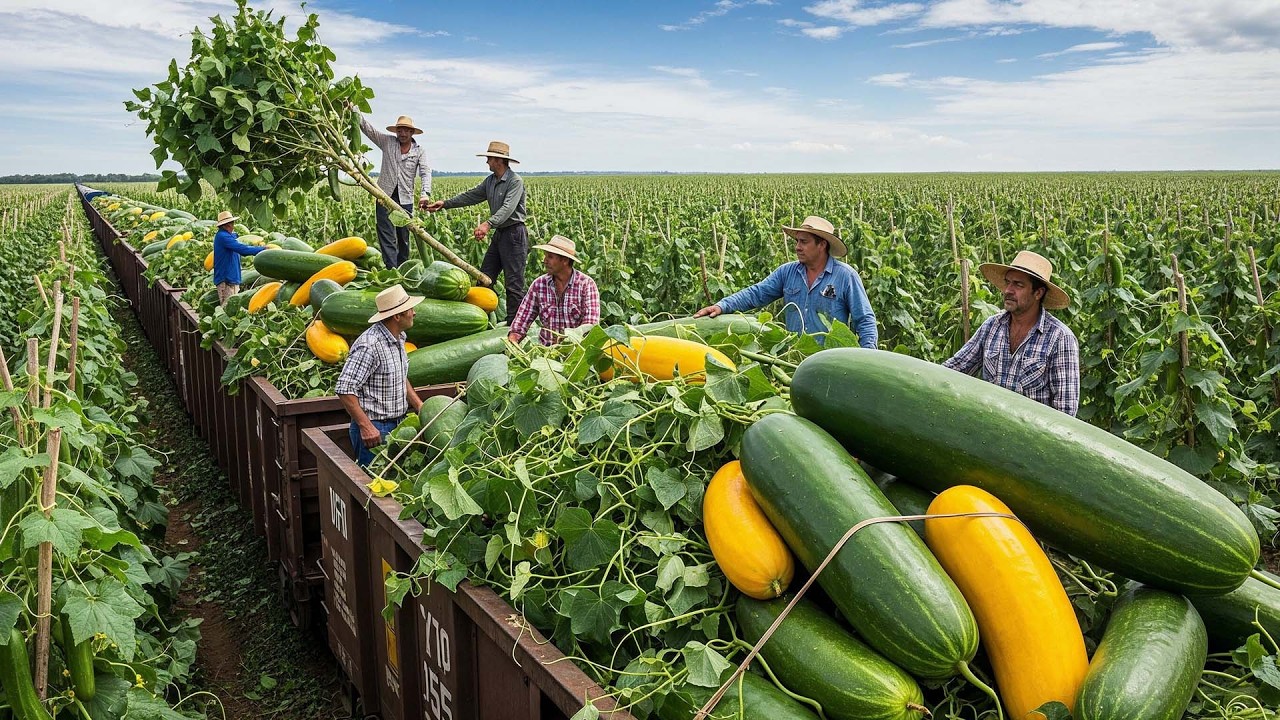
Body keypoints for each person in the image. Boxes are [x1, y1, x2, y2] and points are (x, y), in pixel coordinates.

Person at [693, 215, 877, 347]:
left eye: (804, 242)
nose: (797, 247)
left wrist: (866, 360)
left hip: (830, 362)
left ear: (822, 245)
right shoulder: (787, 272)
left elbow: (865, 320)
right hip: (792, 357)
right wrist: (723, 306)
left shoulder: (845, 276)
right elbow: (757, 293)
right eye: (796, 241)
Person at [943, 250, 1080, 416]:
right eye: (1007, 283)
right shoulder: (992, 326)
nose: (1008, 290)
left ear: (1038, 293)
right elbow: (955, 368)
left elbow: (1065, 413)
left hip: (1032, 438)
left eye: (1018, 285)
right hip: (987, 431)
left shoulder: (1060, 338)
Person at [425, 141, 527, 323]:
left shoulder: (515, 181)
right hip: (501, 233)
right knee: (485, 277)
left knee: (514, 284)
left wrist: (487, 224)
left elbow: (507, 209)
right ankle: (482, 320)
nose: (487, 162)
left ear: (499, 160)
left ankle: (515, 325)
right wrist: (445, 204)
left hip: (514, 234)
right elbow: (471, 196)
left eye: (489, 158)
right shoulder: (490, 181)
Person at [335, 284, 426, 466]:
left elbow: (400, 375)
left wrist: (419, 405)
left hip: (397, 425)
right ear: (397, 316)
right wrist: (366, 426)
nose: (414, 313)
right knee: (373, 485)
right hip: (376, 429)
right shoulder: (369, 345)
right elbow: (344, 388)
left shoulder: (398, 337)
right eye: (410, 309)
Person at [359, 113, 432, 268]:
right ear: (396, 131)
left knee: (403, 237)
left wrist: (425, 194)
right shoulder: (387, 142)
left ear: (412, 132)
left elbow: (425, 173)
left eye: (406, 130)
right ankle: (392, 270)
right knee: (386, 236)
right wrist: (354, 110)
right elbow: (368, 129)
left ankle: (403, 268)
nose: (403, 133)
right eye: (400, 130)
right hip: (384, 196)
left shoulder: (419, 151)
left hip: (405, 199)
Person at [507, 235, 600, 345]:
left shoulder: (586, 285)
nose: (545, 261)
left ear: (565, 260)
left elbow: (590, 325)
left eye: (550, 257)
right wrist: (514, 337)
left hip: (576, 351)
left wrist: (570, 341)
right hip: (546, 351)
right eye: (545, 256)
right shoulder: (539, 285)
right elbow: (523, 318)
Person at [212, 210, 266, 306]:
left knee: (231, 307)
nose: (233, 226)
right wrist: (263, 249)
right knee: (227, 308)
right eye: (232, 223)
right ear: (227, 225)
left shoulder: (226, 236)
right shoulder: (223, 237)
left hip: (231, 278)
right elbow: (243, 250)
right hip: (227, 280)